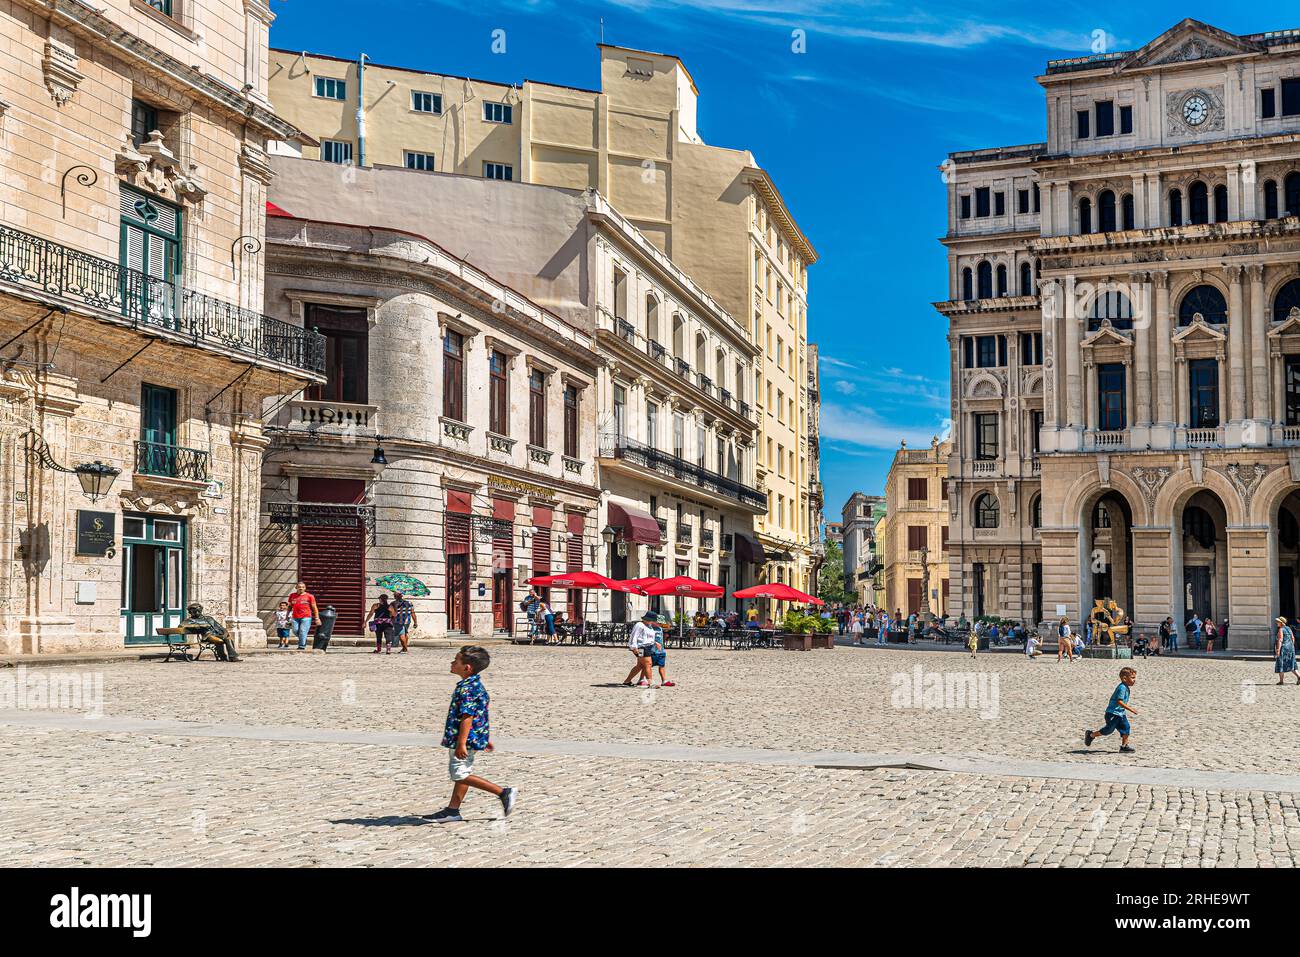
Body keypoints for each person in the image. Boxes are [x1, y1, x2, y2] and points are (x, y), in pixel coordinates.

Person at [424, 646, 517, 824]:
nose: (452, 663)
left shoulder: (467, 689)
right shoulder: (474, 685)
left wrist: (462, 743)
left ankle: (503, 792)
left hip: (463, 739)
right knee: (463, 772)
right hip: (471, 737)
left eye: (456, 660)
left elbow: (468, 716)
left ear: (467, 667)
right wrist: (482, 738)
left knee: (459, 774)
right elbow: (479, 714)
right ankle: (452, 810)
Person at [1085, 667, 1139, 753]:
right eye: (1132, 678)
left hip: (1120, 714)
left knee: (1126, 728)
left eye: (1134, 678)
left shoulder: (1126, 687)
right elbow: (1119, 701)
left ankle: (1124, 746)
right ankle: (1091, 735)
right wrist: (1131, 709)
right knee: (1108, 731)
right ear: (1125, 678)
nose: (1134, 680)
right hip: (1112, 713)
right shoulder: (1122, 688)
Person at [623, 611, 659, 687]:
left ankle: (627, 681)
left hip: (648, 647)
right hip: (641, 648)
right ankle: (651, 683)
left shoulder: (649, 625)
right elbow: (634, 636)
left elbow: (648, 637)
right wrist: (634, 647)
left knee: (640, 665)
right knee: (648, 664)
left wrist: (655, 643)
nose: (652, 621)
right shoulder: (639, 625)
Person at [286, 582, 320, 651]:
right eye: (299, 587)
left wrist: (317, 618)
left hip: (306, 617)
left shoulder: (310, 596)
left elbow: (314, 607)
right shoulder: (292, 595)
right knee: (295, 631)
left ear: (305, 588)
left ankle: (301, 646)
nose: (301, 588)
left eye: (302, 587)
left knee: (303, 631)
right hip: (295, 617)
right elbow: (290, 606)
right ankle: (303, 638)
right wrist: (287, 615)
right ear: (296, 588)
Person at [648, 620, 674, 687]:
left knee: (662, 666)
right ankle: (642, 679)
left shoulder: (660, 628)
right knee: (647, 666)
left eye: (661, 623)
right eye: (659, 622)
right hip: (652, 651)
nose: (660, 624)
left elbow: (667, 628)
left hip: (661, 651)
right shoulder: (650, 629)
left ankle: (664, 680)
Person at [1275, 616, 1299, 686]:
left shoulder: (1281, 629)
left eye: (1278, 622)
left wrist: (1278, 649)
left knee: (1281, 664)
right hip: (1290, 648)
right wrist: (1291, 646)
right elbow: (1293, 638)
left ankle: (1281, 681)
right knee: (1292, 664)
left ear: (1281, 623)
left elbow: (1280, 640)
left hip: (1283, 649)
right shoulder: (1289, 628)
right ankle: (1299, 676)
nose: (1277, 623)